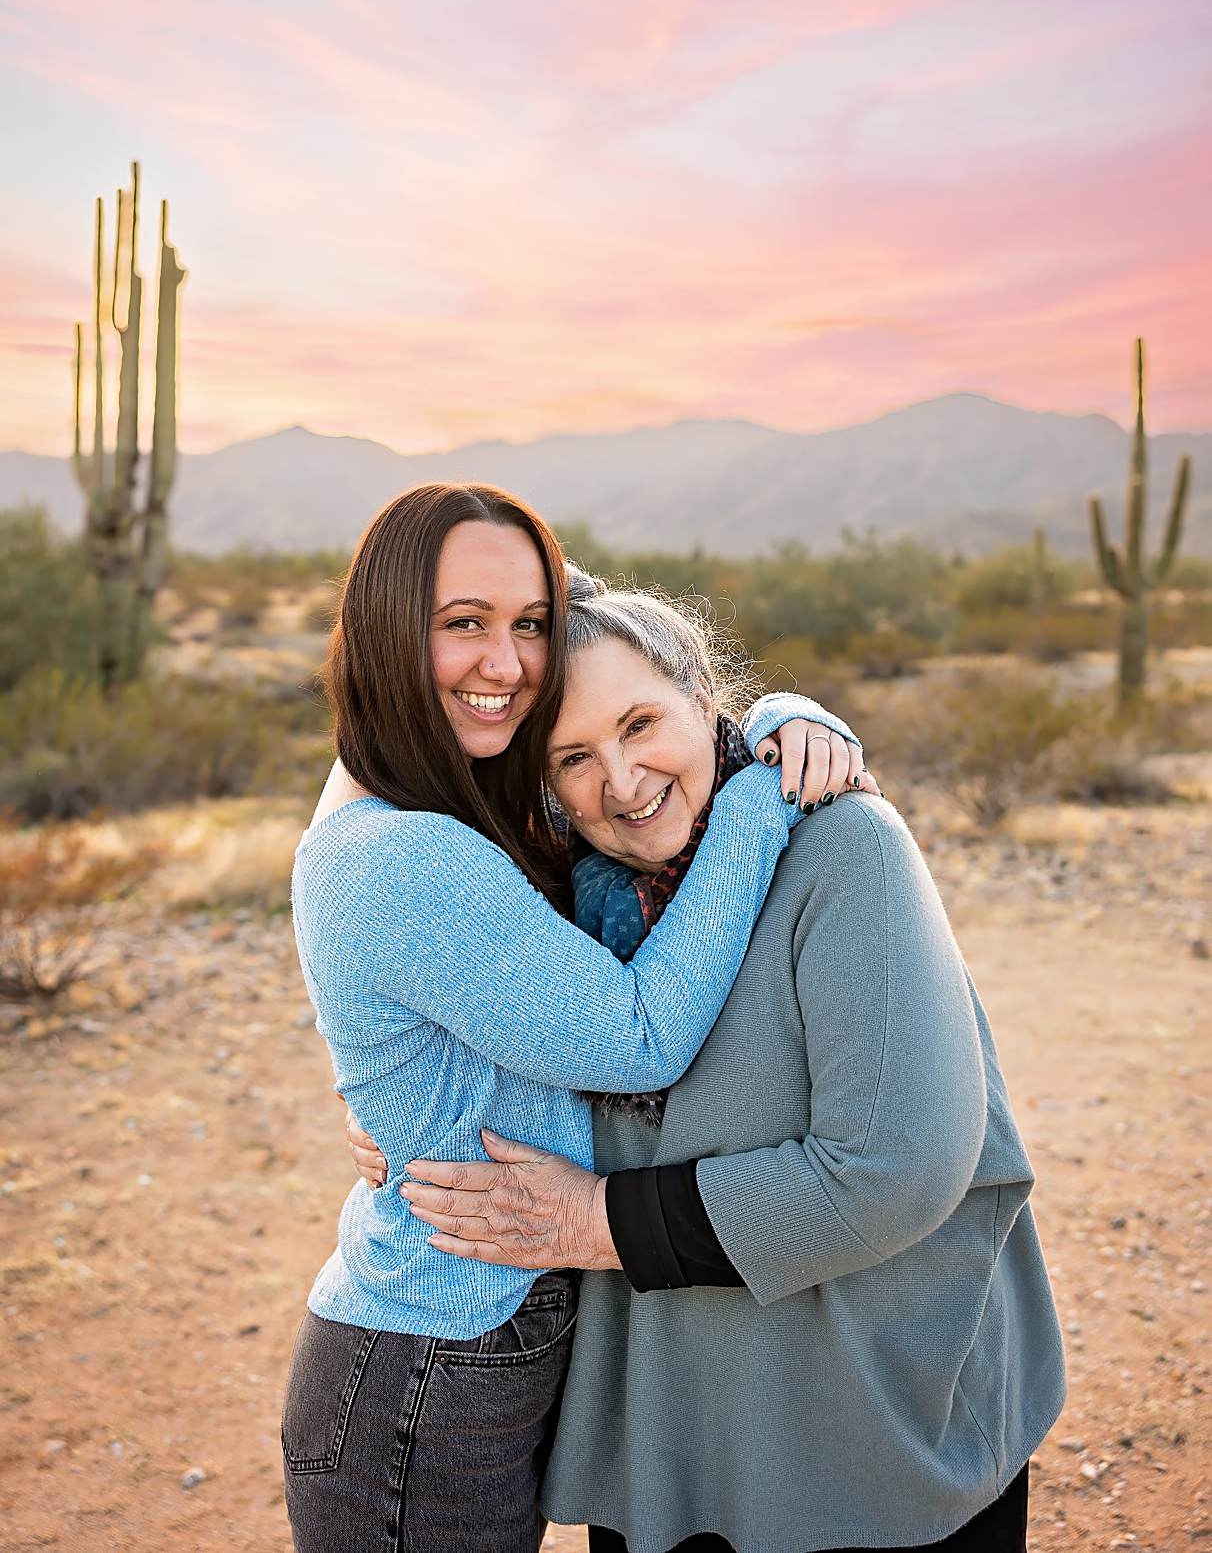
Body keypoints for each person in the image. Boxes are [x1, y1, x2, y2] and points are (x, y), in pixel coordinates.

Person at [352, 575, 1067, 1553]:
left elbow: (896, 1169)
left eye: (642, 722)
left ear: (704, 696)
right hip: (672, 1443)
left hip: (865, 1432)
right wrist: (403, 1118)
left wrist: (593, 1221)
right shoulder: (570, 901)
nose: (623, 780)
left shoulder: (841, 845)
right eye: (573, 758)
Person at [283, 481, 870, 1553]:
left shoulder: (451, 794)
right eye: (461, 624)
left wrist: (774, 716)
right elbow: (638, 1039)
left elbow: (617, 646)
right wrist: (757, 789)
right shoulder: (401, 850)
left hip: (469, 1346)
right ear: (384, 632)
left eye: (527, 627)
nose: (504, 664)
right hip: (425, 1362)